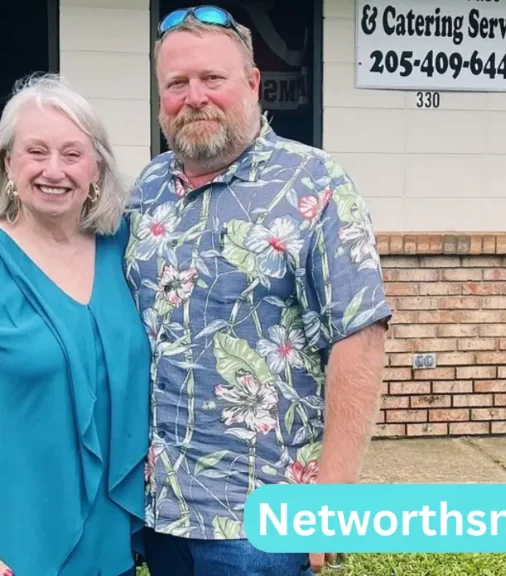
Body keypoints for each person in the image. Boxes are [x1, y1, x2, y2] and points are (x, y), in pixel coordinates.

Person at [123, 6, 391, 575]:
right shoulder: (145, 192)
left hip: (261, 517)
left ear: (252, 84)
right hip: (160, 510)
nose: (194, 96)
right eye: (176, 84)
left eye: (211, 79)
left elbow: (359, 335)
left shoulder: (315, 183)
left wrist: (336, 492)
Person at [0, 73, 150, 576]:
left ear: (97, 171)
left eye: (72, 154)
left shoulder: (123, 250)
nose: (54, 170)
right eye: (36, 152)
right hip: (5, 541)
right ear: (8, 166)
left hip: (107, 540)